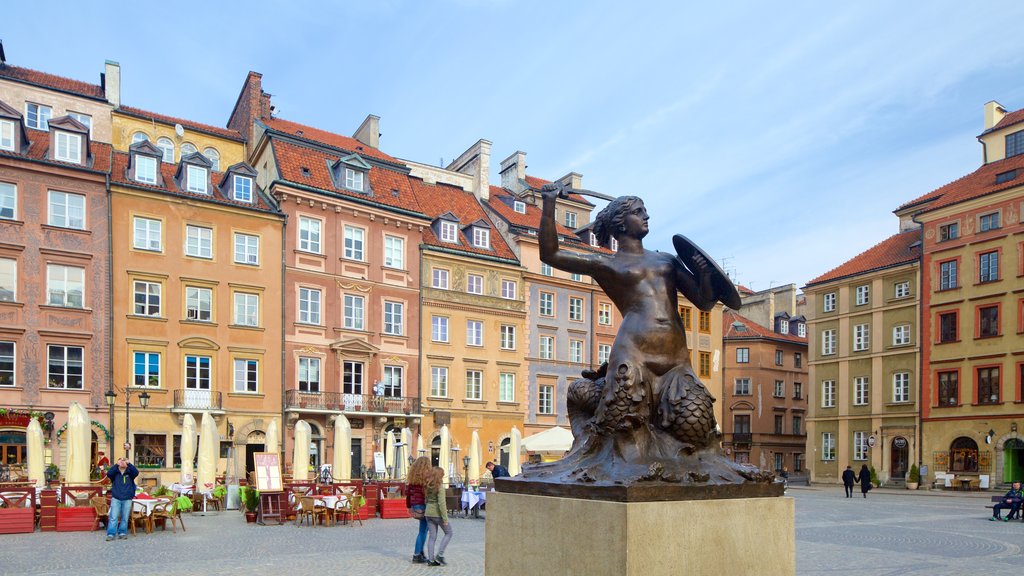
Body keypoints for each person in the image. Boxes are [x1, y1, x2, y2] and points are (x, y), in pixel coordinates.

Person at [424, 466, 453, 566]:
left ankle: (431, 560)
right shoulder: (439, 487)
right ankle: (440, 555)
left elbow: (426, 499)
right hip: (437, 514)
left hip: (428, 513)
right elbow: (442, 503)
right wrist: (445, 518)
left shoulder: (427, 485)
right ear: (439, 475)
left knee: (432, 537)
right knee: (449, 532)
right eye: (442, 475)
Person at [105, 457, 139, 541]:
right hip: (116, 498)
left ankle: (122, 533)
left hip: (127, 498)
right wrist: (116, 464)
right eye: (121, 461)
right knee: (113, 517)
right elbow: (108, 474)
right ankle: (111, 534)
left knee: (125, 517)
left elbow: (136, 472)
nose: (123, 463)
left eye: (124, 461)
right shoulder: (115, 473)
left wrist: (129, 463)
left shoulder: (130, 472)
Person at [406, 456, 431, 563]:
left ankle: (420, 552)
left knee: (423, 530)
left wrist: (409, 507)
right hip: (424, 505)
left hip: (415, 505)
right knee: (423, 531)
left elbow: (408, 494)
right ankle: (417, 554)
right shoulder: (426, 477)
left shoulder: (412, 477)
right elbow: (427, 494)